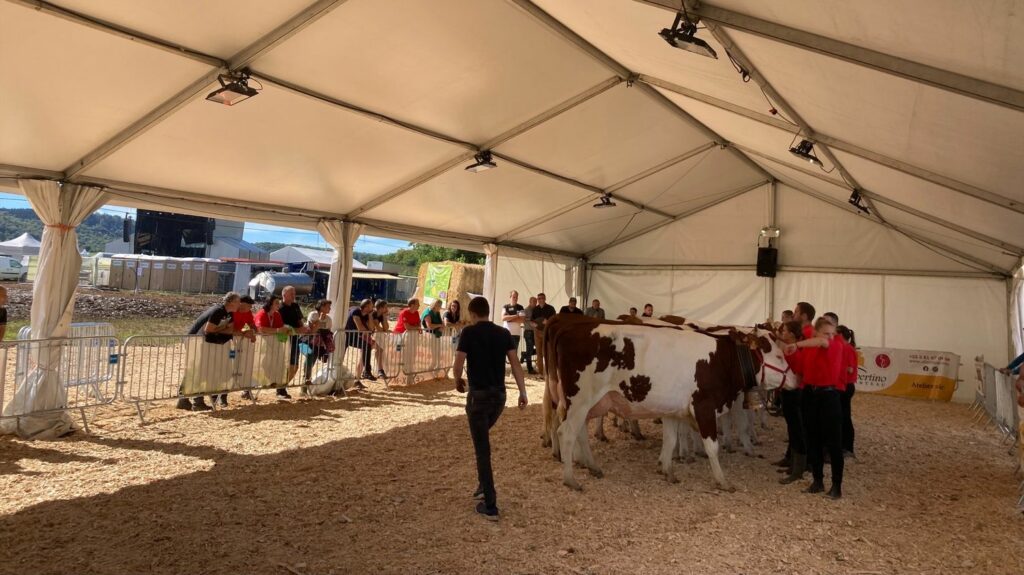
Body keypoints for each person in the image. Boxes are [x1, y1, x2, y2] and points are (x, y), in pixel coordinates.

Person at [453, 296, 528, 521]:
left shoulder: (468, 333)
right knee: (483, 438)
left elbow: (458, 363)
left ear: (473, 314)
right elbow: (515, 364)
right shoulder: (503, 334)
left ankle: (490, 504)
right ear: (488, 311)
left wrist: (458, 380)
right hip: (499, 398)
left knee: (482, 449)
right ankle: (482, 483)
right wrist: (523, 392)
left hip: (478, 397)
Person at [785, 317, 845, 500]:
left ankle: (836, 486)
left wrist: (797, 344)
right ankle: (817, 481)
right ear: (817, 332)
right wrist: (789, 351)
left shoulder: (833, 345)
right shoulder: (809, 350)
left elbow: (821, 342)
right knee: (813, 440)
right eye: (826, 333)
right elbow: (799, 368)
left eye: (832, 333)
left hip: (829, 396)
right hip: (810, 395)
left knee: (834, 443)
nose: (830, 337)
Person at [178, 292, 242, 411]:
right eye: (238, 301)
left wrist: (222, 329)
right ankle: (195, 400)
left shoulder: (229, 313)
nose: (240, 304)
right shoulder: (218, 311)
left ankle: (186, 399)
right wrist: (223, 328)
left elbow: (230, 330)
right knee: (198, 370)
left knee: (200, 370)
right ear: (231, 302)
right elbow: (209, 329)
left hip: (206, 343)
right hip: (196, 341)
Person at [778, 320, 808, 485]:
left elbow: (799, 373)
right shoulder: (791, 348)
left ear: (791, 334)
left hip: (794, 392)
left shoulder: (793, 352)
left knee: (797, 429)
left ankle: (798, 470)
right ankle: (794, 465)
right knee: (792, 427)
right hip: (790, 392)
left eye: (784, 331)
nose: (782, 333)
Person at [254, 295, 290, 398]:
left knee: (280, 364)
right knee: (260, 365)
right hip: (261, 344)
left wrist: (287, 330)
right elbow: (260, 329)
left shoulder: (277, 314)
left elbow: (281, 327)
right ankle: (249, 389)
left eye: (278, 303)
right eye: (276, 303)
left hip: (274, 344)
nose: (279, 305)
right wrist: (277, 331)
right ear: (270, 304)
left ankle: (278, 387)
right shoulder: (262, 313)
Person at [279, 286, 308, 399]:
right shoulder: (280, 307)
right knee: (283, 365)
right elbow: (281, 327)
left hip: (296, 339)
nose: (294, 295)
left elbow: (299, 320)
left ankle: (282, 386)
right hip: (283, 339)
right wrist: (298, 330)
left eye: (294, 293)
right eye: (291, 293)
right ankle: (280, 388)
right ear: (284, 294)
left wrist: (304, 328)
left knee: (294, 366)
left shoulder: (295, 306)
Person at [837, 325, 858, 459]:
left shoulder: (848, 349)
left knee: (845, 416)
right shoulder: (843, 348)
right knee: (842, 416)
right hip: (842, 385)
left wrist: (835, 368)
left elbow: (850, 369)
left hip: (847, 385)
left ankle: (848, 447)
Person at [304, 299, 335, 389]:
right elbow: (312, 330)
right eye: (328, 307)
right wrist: (320, 320)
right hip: (306, 342)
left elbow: (328, 333)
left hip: (319, 344)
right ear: (322, 307)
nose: (329, 308)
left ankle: (307, 381)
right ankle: (306, 378)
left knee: (313, 359)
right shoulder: (313, 314)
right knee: (310, 356)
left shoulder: (329, 319)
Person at [345, 299, 376, 386]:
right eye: (371, 306)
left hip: (355, 336)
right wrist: (368, 331)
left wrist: (370, 316)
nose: (373, 307)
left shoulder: (367, 315)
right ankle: (365, 372)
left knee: (367, 346)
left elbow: (372, 328)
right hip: (345, 336)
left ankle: (362, 375)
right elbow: (361, 328)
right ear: (365, 307)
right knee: (340, 358)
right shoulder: (356, 311)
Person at [394, 297, 423, 377]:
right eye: (418, 304)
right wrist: (416, 328)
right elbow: (407, 327)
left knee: (413, 353)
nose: (419, 305)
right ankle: (400, 371)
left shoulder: (416, 312)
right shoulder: (404, 312)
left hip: (411, 337)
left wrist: (416, 327)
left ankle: (410, 370)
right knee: (401, 354)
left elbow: (418, 324)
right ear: (412, 305)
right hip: (400, 336)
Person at [530, 293, 556, 375]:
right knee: (539, 353)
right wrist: (534, 324)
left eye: (542, 298)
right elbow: (531, 321)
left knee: (547, 352)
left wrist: (548, 322)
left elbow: (555, 320)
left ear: (545, 299)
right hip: (537, 332)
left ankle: (548, 372)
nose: (540, 300)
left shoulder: (551, 308)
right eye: (539, 298)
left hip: (547, 332)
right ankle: (541, 373)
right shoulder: (535, 309)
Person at [422, 299, 445, 372]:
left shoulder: (437, 312)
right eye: (439, 306)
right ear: (435, 305)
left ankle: (436, 368)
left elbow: (442, 324)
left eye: (440, 306)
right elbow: (429, 326)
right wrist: (439, 325)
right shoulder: (427, 313)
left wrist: (441, 326)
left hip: (437, 334)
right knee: (433, 353)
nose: (440, 307)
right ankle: (429, 369)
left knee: (437, 352)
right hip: (429, 334)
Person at [501, 291, 525, 360]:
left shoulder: (520, 307)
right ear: (510, 297)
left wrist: (509, 318)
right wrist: (516, 316)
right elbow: (503, 318)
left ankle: (513, 370)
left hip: (516, 335)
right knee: (503, 353)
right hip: (506, 334)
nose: (515, 298)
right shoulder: (505, 307)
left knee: (514, 355)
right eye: (514, 297)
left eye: (517, 297)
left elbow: (522, 320)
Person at [370, 299, 390, 379]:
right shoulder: (374, 314)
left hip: (373, 335)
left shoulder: (381, 315)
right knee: (366, 354)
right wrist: (383, 329)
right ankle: (379, 370)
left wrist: (384, 316)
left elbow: (385, 328)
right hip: (368, 335)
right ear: (381, 308)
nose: (387, 309)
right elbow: (379, 329)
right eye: (386, 307)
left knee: (379, 351)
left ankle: (380, 370)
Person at [521, 296, 538, 374]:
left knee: (538, 349)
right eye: (533, 302)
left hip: (535, 332)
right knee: (530, 349)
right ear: (530, 302)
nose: (535, 303)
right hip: (528, 332)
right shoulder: (526, 310)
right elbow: (522, 319)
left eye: (536, 302)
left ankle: (524, 354)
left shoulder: (536, 310)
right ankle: (530, 369)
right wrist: (530, 321)